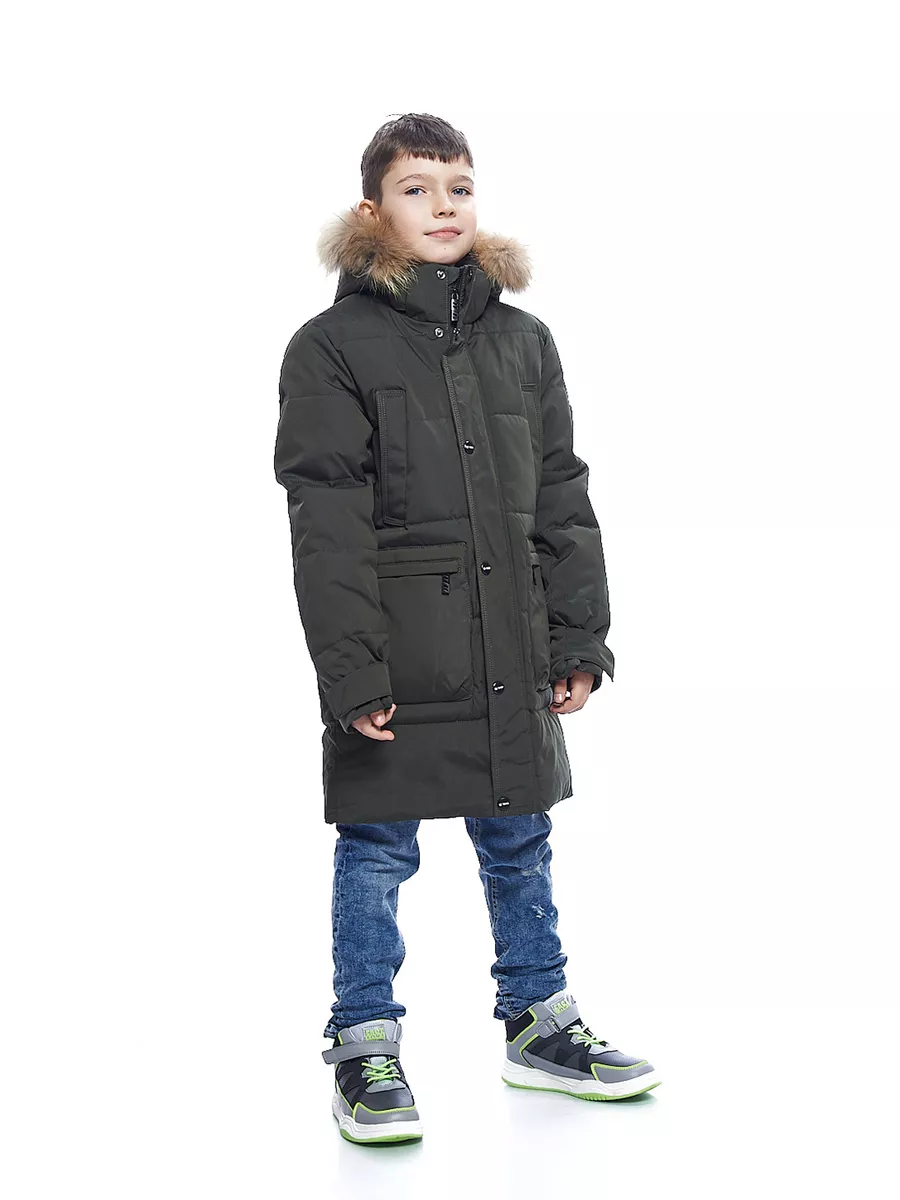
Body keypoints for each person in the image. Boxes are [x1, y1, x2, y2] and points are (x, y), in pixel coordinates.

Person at [274, 113, 660, 1145]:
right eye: (417, 188)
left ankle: (539, 1022)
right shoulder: (330, 348)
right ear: (372, 210)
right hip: (400, 653)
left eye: (460, 187)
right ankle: (364, 1041)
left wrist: (578, 638)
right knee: (376, 849)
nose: (443, 206)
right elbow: (326, 520)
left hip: (510, 642)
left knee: (520, 838)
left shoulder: (524, 342)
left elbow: (563, 497)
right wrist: (351, 671)